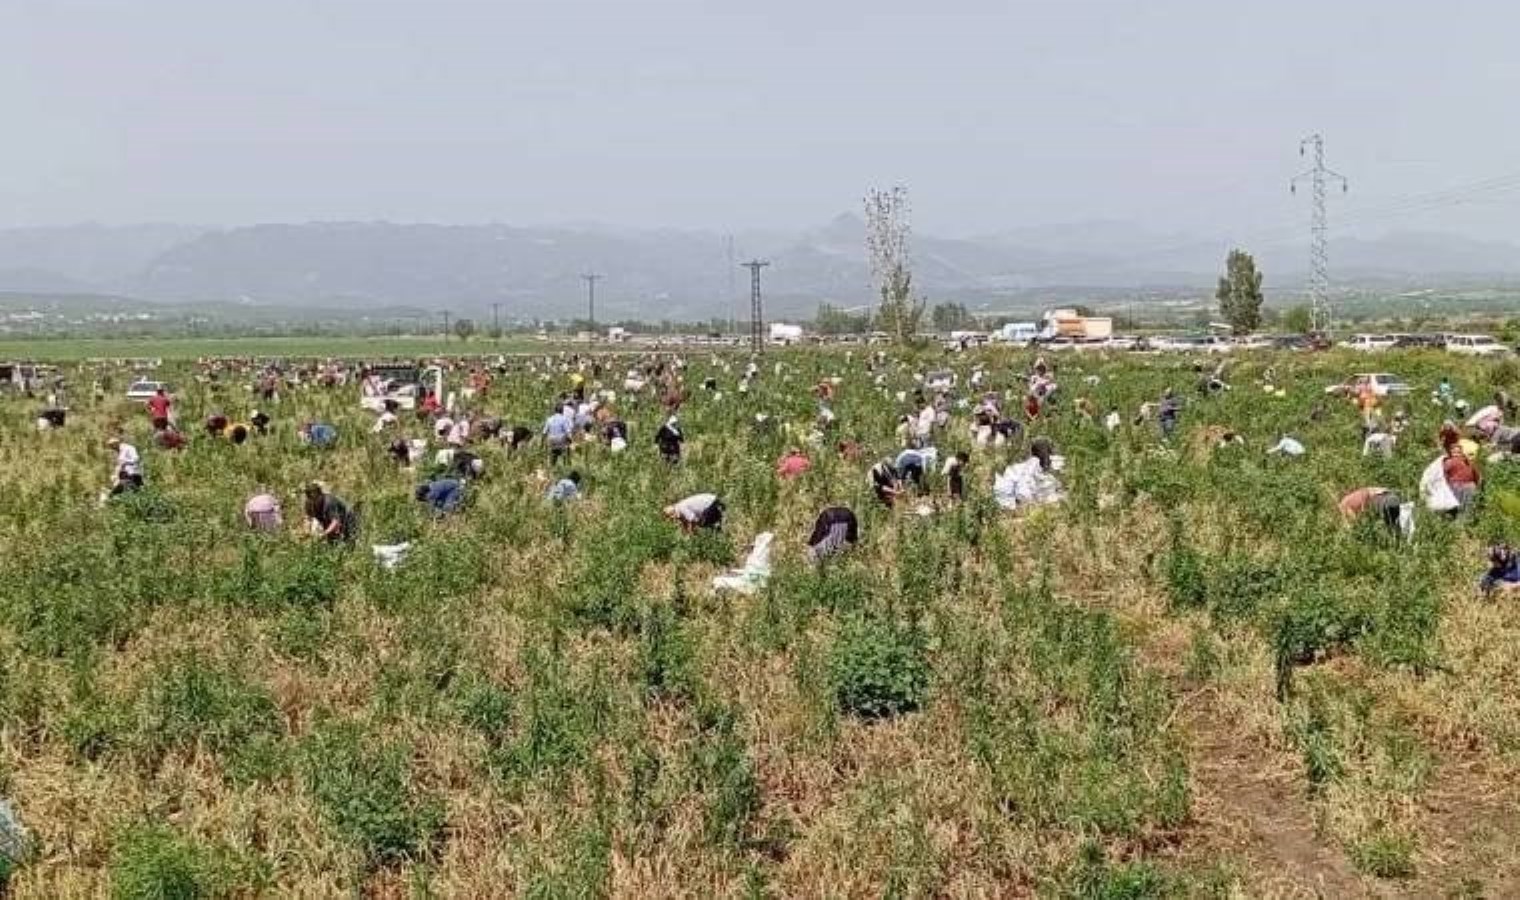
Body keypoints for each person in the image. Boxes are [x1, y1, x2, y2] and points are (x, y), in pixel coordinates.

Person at [1337, 487, 1412, 540]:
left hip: (1382, 499)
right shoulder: (1350, 498)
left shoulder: (1344, 505)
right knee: (1398, 525)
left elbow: (1351, 523)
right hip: (1392, 496)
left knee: (1392, 527)